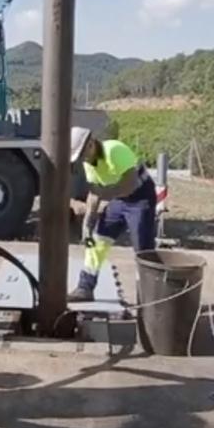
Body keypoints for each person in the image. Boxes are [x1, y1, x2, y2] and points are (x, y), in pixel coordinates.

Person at [67, 127, 158, 302]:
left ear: (91, 144)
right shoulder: (89, 164)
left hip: (140, 197)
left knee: (142, 249)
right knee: (97, 239)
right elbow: (94, 194)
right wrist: (87, 223)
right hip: (118, 198)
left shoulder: (114, 150)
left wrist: (106, 194)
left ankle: (148, 298)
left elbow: (130, 184)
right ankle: (85, 288)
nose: (82, 160)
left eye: (82, 154)